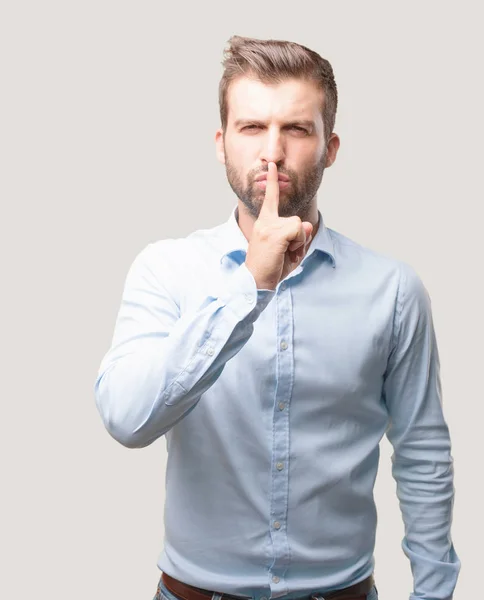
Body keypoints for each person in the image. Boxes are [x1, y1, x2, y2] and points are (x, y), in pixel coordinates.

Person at [94, 35, 460, 600]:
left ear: (330, 146)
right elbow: (126, 419)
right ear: (220, 143)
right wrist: (250, 287)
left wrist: (434, 593)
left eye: (296, 128)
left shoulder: (392, 290)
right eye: (250, 128)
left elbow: (421, 450)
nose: (272, 152)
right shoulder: (166, 270)